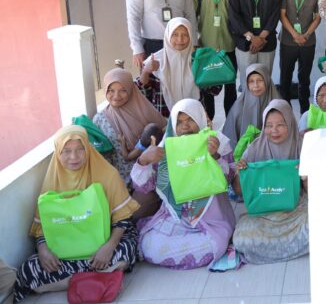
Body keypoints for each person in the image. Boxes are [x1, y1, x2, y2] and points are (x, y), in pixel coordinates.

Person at [13, 126, 140, 302]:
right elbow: (43, 227)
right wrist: (43, 251)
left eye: (80, 149)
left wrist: (108, 247)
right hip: (68, 247)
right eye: (66, 151)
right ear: (57, 152)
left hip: (105, 241)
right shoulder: (53, 180)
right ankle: (102, 274)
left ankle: (71, 279)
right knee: (28, 269)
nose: (74, 157)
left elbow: (123, 219)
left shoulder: (107, 174)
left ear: (88, 148)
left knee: (125, 249)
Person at [133, 99, 236, 269]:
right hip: (176, 217)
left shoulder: (216, 141)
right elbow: (144, 185)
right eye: (179, 122)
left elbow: (229, 178)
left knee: (215, 243)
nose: (185, 126)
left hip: (211, 219)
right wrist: (144, 160)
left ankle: (208, 245)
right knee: (150, 246)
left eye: (190, 120)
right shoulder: (166, 147)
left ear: (200, 119)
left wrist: (215, 156)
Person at [232, 100, 309, 264]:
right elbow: (238, 190)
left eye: (280, 125)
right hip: (264, 210)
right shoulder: (255, 147)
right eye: (268, 125)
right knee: (240, 239)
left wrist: (305, 175)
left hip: (296, 209)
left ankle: (274, 249)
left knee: (317, 226)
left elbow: (313, 191)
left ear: (290, 123)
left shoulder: (302, 144)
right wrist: (240, 173)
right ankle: (288, 247)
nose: (274, 130)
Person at [95, 68, 167, 219]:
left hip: (146, 179)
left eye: (123, 90)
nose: (116, 96)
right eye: (111, 90)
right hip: (117, 183)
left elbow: (164, 137)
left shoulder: (145, 111)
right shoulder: (100, 120)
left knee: (135, 214)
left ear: (131, 89)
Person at [190, 0, 237, 120]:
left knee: (231, 89)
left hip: (229, 45)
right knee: (206, 91)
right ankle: (208, 126)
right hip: (205, 47)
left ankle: (231, 125)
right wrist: (193, 42)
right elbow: (190, 16)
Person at [227, 0, 283, 89]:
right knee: (247, 82)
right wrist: (252, 37)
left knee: (265, 81)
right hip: (244, 41)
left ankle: (265, 106)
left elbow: (275, 13)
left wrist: (261, 37)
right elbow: (233, 15)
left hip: (267, 41)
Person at [279, 0, 321, 114]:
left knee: (304, 79)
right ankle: (285, 113)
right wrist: (295, 35)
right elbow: (282, 15)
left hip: (308, 42)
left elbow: (318, 17)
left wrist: (307, 34)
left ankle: (305, 113)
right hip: (288, 41)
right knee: (285, 78)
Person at [138, 17, 200, 116]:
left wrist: (212, 66)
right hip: (164, 116)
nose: (180, 39)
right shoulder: (155, 60)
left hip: (193, 116)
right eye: (175, 34)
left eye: (185, 35)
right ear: (168, 35)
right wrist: (145, 71)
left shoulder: (197, 59)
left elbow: (213, 90)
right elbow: (143, 91)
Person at [222, 63, 280, 147]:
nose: (256, 85)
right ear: (246, 84)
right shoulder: (238, 108)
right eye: (251, 81)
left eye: (260, 80)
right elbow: (229, 141)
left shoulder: (279, 105)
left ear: (267, 80)